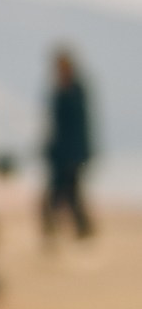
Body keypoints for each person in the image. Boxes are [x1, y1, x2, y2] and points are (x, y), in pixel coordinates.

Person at [42, 47, 95, 240]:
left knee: (68, 194)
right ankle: (63, 229)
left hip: (71, 154)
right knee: (64, 194)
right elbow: (56, 125)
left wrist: (77, 154)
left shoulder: (74, 91)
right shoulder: (62, 90)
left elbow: (80, 126)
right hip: (61, 154)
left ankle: (78, 229)